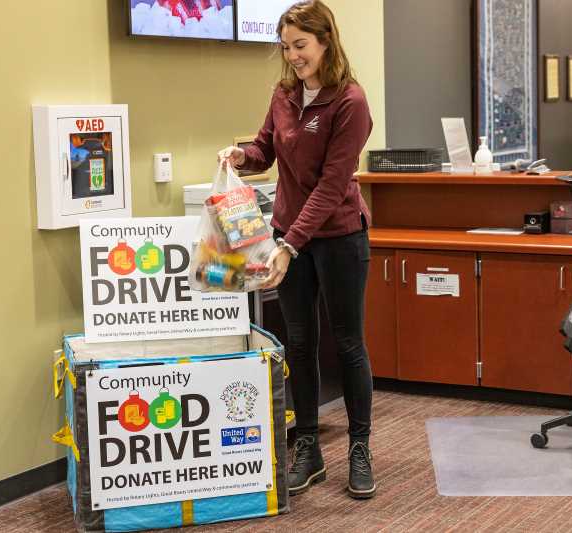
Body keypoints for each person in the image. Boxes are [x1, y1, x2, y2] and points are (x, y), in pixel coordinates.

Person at [218, 0, 375, 500]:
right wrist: (242, 155)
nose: (292, 57)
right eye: (285, 47)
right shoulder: (284, 93)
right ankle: (307, 449)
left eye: (300, 46)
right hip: (289, 237)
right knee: (299, 344)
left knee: (347, 343)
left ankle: (359, 448)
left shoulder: (350, 101)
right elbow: (267, 148)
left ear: (325, 40)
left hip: (339, 236)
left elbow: (331, 186)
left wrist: (288, 243)